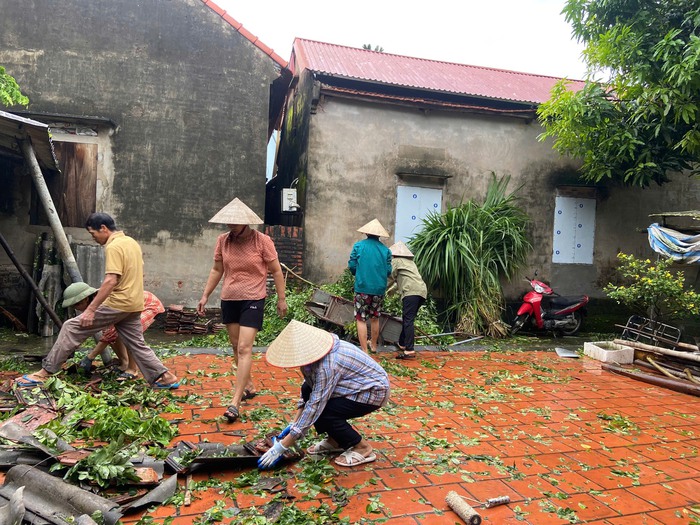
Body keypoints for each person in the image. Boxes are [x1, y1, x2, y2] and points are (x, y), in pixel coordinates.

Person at [16, 213, 180, 389]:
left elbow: (111, 280)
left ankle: (45, 373)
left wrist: (91, 309)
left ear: (103, 228)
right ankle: (166, 377)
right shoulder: (132, 243)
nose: (94, 238)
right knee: (137, 343)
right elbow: (140, 274)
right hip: (135, 303)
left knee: (71, 327)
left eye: (93, 234)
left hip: (119, 302)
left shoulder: (114, 246)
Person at [197, 197, 288, 423]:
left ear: (246, 222)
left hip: (254, 298)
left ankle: (235, 402)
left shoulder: (262, 241)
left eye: (235, 222)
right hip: (230, 298)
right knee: (236, 347)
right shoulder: (223, 241)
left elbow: (276, 271)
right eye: (228, 222)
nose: (230, 226)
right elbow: (217, 269)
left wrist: (281, 299)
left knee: (245, 347)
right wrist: (205, 294)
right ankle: (248, 385)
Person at [257, 320, 390, 470]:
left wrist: (282, 446)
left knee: (324, 413)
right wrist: (294, 423)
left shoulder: (328, 365)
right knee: (308, 389)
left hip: (373, 391)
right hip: (351, 385)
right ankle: (335, 440)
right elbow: (308, 388)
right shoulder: (311, 359)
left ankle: (362, 447)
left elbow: (315, 405)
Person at [79, 290, 165, 380]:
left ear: (85, 299)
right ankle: (125, 363)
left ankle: (132, 370)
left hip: (150, 305)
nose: (76, 308)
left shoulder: (102, 301)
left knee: (129, 335)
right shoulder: (94, 303)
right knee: (112, 332)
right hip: (130, 307)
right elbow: (108, 332)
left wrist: (90, 357)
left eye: (77, 304)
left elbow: (110, 334)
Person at [348, 219, 392, 353]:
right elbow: (389, 271)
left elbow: (352, 266)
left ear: (366, 233)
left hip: (362, 288)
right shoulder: (386, 251)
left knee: (361, 319)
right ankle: (373, 346)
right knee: (375, 317)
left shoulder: (358, 246)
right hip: (379, 289)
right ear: (379, 235)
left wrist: (359, 273)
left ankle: (364, 350)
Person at [388, 241, 427, 359]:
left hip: (411, 292)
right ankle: (402, 343)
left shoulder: (396, 261)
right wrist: (391, 291)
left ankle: (409, 351)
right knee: (408, 318)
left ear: (393, 254)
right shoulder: (410, 263)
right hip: (421, 291)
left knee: (408, 320)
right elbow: (402, 280)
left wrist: (379, 288)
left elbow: (390, 277)